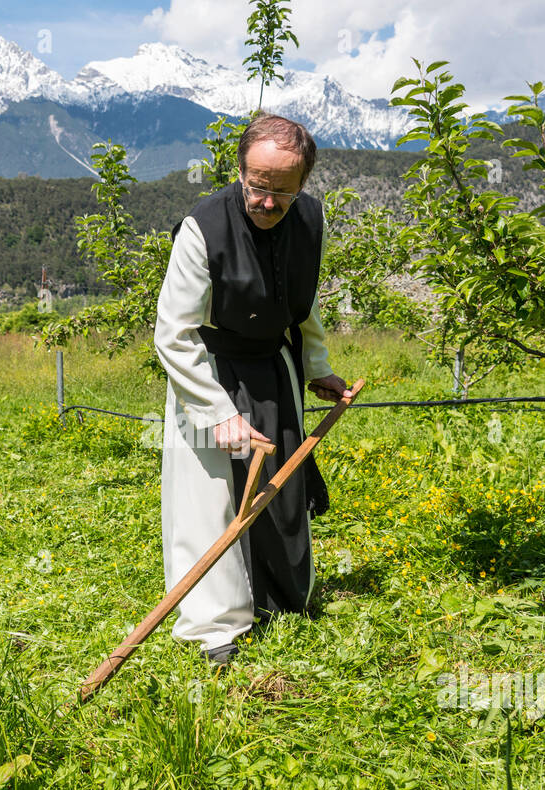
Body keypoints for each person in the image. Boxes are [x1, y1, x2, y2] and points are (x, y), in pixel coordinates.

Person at [153, 112, 352, 667]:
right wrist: (217, 413)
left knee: (280, 493)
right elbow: (173, 333)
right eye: (257, 186)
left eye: (281, 193)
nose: (267, 202)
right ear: (240, 171)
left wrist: (316, 367)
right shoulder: (202, 229)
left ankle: (281, 602)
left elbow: (303, 301)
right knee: (209, 498)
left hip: (274, 368)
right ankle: (215, 628)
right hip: (209, 372)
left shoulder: (311, 221)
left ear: (303, 186)